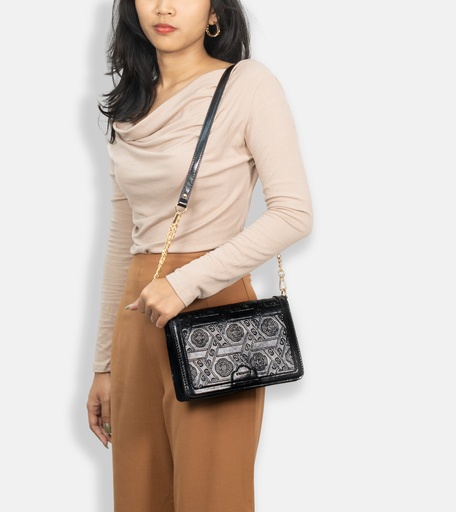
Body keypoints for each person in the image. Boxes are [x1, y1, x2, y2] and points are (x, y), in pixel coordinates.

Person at [86, 0, 313, 510]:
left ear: (215, 13)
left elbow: (293, 213)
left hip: (215, 316)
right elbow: (123, 238)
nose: (164, 6)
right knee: (139, 497)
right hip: (137, 316)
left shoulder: (247, 85)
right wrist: (103, 365)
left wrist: (183, 284)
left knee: (213, 497)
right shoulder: (129, 107)